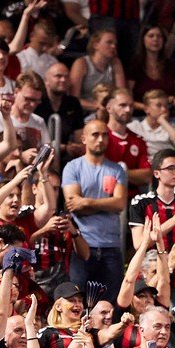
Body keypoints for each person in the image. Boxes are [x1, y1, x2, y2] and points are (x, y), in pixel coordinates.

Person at [62, 120, 127, 293]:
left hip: (112, 246)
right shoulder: (72, 167)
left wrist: (86, 202)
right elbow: (74, 205)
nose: (100, 139)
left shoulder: (117, 170)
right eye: (95, 135)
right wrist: (107, 204)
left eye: (104, 135)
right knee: (77, 300)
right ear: (84, 138)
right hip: (82, 245)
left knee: (111, 303)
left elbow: (120, 203)